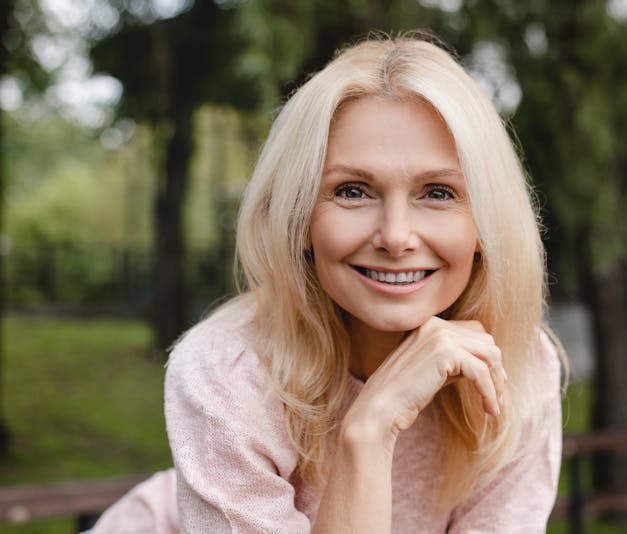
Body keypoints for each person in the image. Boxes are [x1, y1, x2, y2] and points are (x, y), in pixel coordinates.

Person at [91, 33, 565, 533]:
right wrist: (371, 427)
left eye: (438, 192)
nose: (396, 237)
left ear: (487, 225)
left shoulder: (519, 364)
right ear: (299, 219)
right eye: (353, 191)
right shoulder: (226, 370)